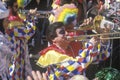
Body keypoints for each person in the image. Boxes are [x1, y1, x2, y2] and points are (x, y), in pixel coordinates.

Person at [36, 22, 111, 80]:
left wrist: (104, 39)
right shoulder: (51, 53)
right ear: (53, 39)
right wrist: (90, 45)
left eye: (66, 31)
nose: (67, 33)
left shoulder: (73, 46)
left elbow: (99, 57)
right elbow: (77, 66)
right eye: (62, 32)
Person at [4, 0, 36, 79]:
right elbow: (28, 32)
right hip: (15, 56)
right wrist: (31, 17)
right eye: (15, 7)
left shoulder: (13, 21)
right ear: (9, 8)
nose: (18, 9)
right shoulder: (11, 24)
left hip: (19, 54)